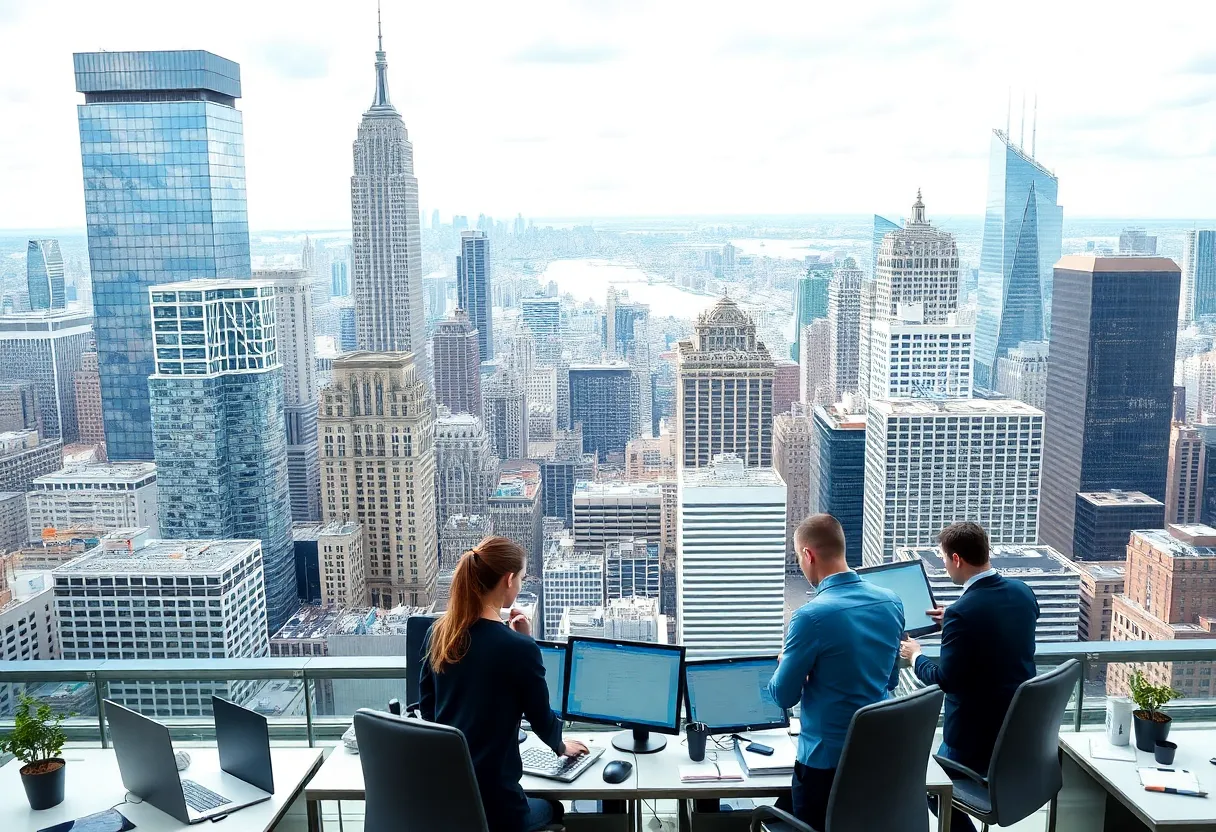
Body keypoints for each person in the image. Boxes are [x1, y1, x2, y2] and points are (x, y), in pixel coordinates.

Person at [421, 536, 588, 832]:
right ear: (508, 580)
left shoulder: (440, 635)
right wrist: (561, 746)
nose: (521, 585)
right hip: (499, 809)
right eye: (521, 579)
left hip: (448, 801)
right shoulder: (518, 649)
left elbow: (428, 712)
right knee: (554, 808)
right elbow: (540, 717)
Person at [767, 514, 904, 831]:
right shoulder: (891, 602)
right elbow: (891, 681)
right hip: (879, 760)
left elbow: (784, 696)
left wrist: (787, 661)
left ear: (808, 555)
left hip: (824, 768)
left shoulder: (810, 617)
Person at [900, 522, 1039, 832]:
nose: (946, 565)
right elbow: (1001, 626)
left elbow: (945, 679)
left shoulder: (964, 613)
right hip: (1017, 728)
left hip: (973, 741)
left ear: (957, 559)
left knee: (928, 787)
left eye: (945, 559)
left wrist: (915, 655)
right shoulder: (1022, 592)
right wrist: (953, 615)